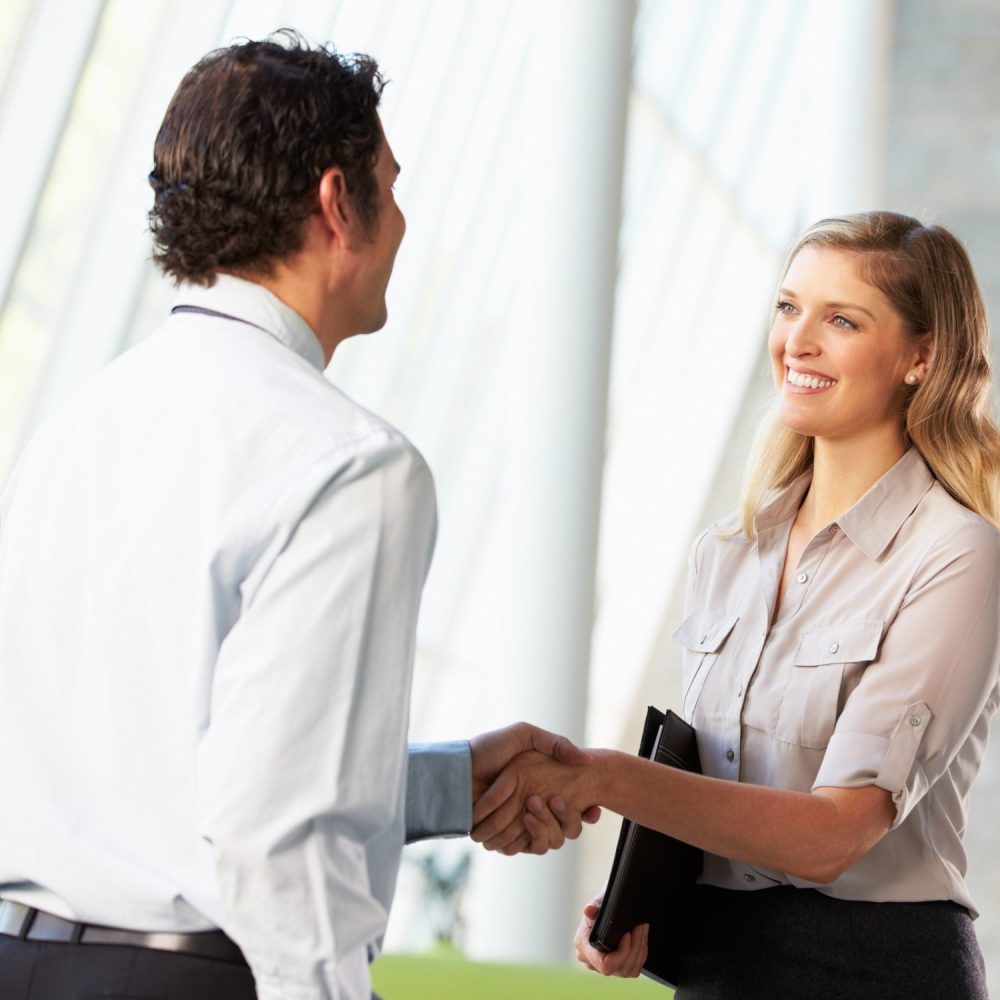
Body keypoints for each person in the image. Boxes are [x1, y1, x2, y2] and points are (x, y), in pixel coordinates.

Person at [0, 34, 591, 1000]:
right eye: (390, 189)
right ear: (334, 204)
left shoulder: (72, 426)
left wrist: (443, 787)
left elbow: (156, 766)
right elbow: (281, 830)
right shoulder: (352, 466)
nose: (401, 221)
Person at [474, 211, 1000, 999]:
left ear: (920, 357)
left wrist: (603, 778)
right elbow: (720, 787)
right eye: (789, 307)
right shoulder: (728, 550)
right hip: (719, 967)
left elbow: (834, 835)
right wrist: (645, 904)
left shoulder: (958, 555)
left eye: (843, 319)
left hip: (874, 970)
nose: (799, 341)